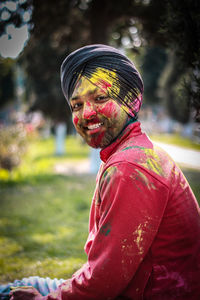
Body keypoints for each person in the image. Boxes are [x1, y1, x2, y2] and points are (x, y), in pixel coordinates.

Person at [3, 44, 200, 300]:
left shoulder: (130, 167)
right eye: (76, 105)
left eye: (100, 98)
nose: (86, 113)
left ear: (130, 100)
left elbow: (103, 283)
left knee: (9, 292)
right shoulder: (131, 153)